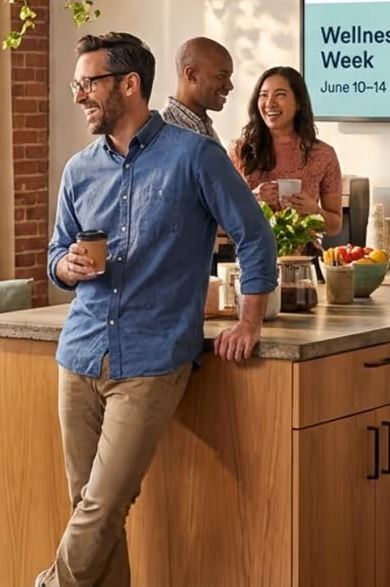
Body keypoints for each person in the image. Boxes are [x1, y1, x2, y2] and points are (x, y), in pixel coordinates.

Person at [37, 32, 276, 587]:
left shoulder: (194, 156)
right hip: (80, 354)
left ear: (128, 84)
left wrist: (250, 319)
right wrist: (64, 268)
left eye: (88, 84)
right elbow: (55, 253)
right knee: (91, 506)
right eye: (77, 84)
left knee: (102, 503)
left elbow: (254, 236)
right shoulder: (79, 170)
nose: (79, 97)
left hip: (153, 358)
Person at [229, 66, 343, 237]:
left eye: (280, 94)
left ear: (298, 103)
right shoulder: (239, 150)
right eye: (264, 95)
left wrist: (315, 211)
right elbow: (221, 214)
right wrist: (252, 198)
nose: (270, 103)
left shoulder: (323, 154)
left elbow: (335, 226)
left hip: (304, 258)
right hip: (251, 256)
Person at [161, 36, 234, 143]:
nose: (229, 86)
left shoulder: (203, 125)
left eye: (229, 77)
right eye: (221, 76)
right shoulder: (163, 132)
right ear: (191, 75)